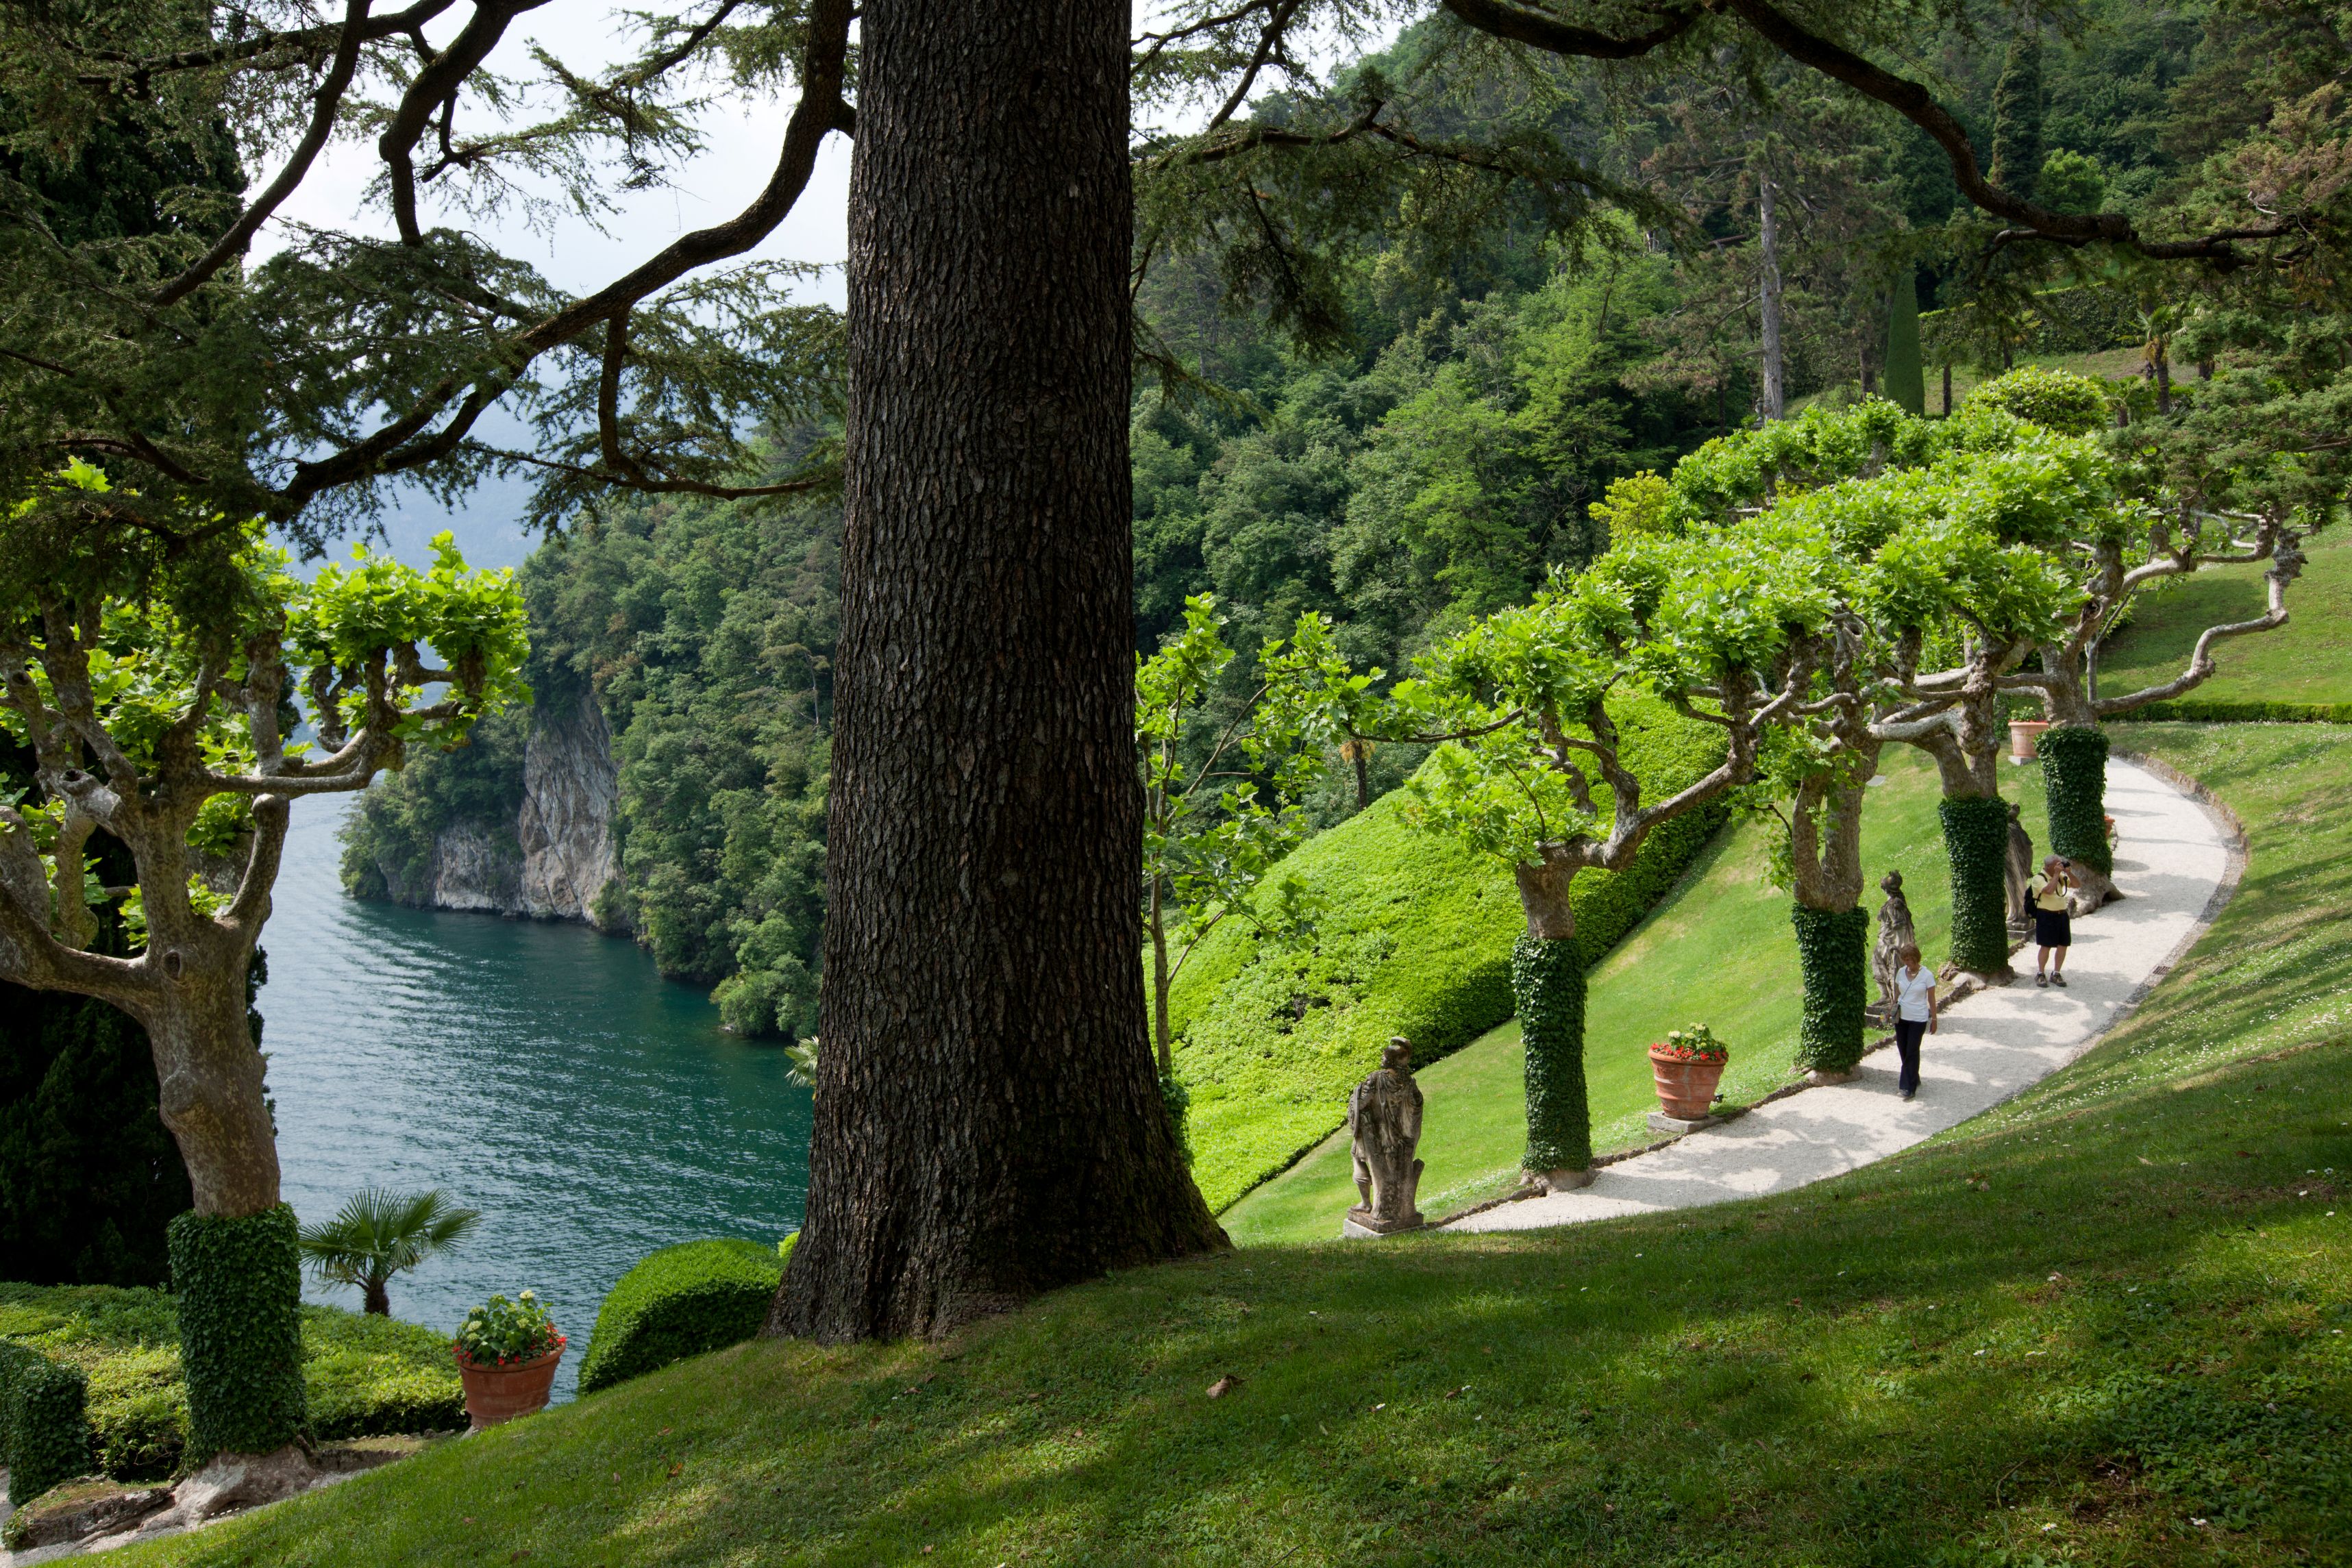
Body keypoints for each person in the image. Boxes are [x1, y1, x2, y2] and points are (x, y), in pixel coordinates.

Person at [1891, 943, 1937, 1102]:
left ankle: (1907, 1087)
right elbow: (1897, 992)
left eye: (1910, 960)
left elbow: (1931, 998)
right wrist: (1893, 1008)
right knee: (1903, 1049)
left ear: (1916, 959)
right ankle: (1914, 1077)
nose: (1907, 963)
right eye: (1905, 960)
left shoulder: (1927, 976)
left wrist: (1935, 1019)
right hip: (1902, 1018)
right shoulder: (1901, 972)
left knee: (1911, 1050)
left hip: (1918, 1019)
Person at [2033, 856, 2075, 987]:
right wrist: (2057, 874)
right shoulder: (2039, 878)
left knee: (2063, 944)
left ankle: (2056, 973)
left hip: (2061, 915)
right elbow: (2049, 891)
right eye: (2057, 864)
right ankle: (2041, 973)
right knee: (2046, 946)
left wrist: (2068, 873)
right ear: (2049, 866)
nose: (2060, 866)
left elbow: (2077, 885)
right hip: (2046, 915)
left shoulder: (2061, 877)